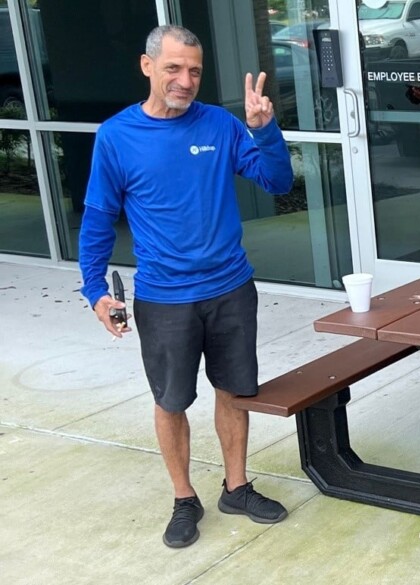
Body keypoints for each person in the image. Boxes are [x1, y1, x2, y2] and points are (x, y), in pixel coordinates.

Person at [78, 25, 294, 549]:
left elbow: (279, 183)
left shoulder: (220, 125)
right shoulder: (117, 136)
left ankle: (236, 487)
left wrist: (264, 131)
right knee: (171, 401)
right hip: (164, 297)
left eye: (194, 70)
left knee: (235, 390)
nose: (185, 79)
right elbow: (98, 220)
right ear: (147, 66)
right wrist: (94, 290)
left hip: (230, 288)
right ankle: (183, 498)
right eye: (174, 67)